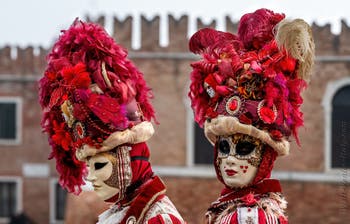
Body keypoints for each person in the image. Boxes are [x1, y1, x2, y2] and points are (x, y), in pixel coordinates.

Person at [39, 19, 185, 224]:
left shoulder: (158, 218)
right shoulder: (124, 212)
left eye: (99, 165)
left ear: (128, 159)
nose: (90, 178)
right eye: (89, 167)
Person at [188, 8, 315, 223]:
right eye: (224, 147)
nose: (230, 159)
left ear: (267, 155)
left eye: (245, 148)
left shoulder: (250, 214)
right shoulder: (233, 205)